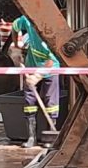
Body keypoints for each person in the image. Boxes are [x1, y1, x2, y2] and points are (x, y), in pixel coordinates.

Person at [4, 15, 60, 148]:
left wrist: (37, 76)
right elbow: (15, 26)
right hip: (31, 65)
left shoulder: (50, 35)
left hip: (50, 70)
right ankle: (31, 137)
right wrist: (17, 45)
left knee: (51, 102)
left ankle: (50, 137)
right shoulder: (27, 20)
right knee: (30, 101)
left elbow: (51, 60)